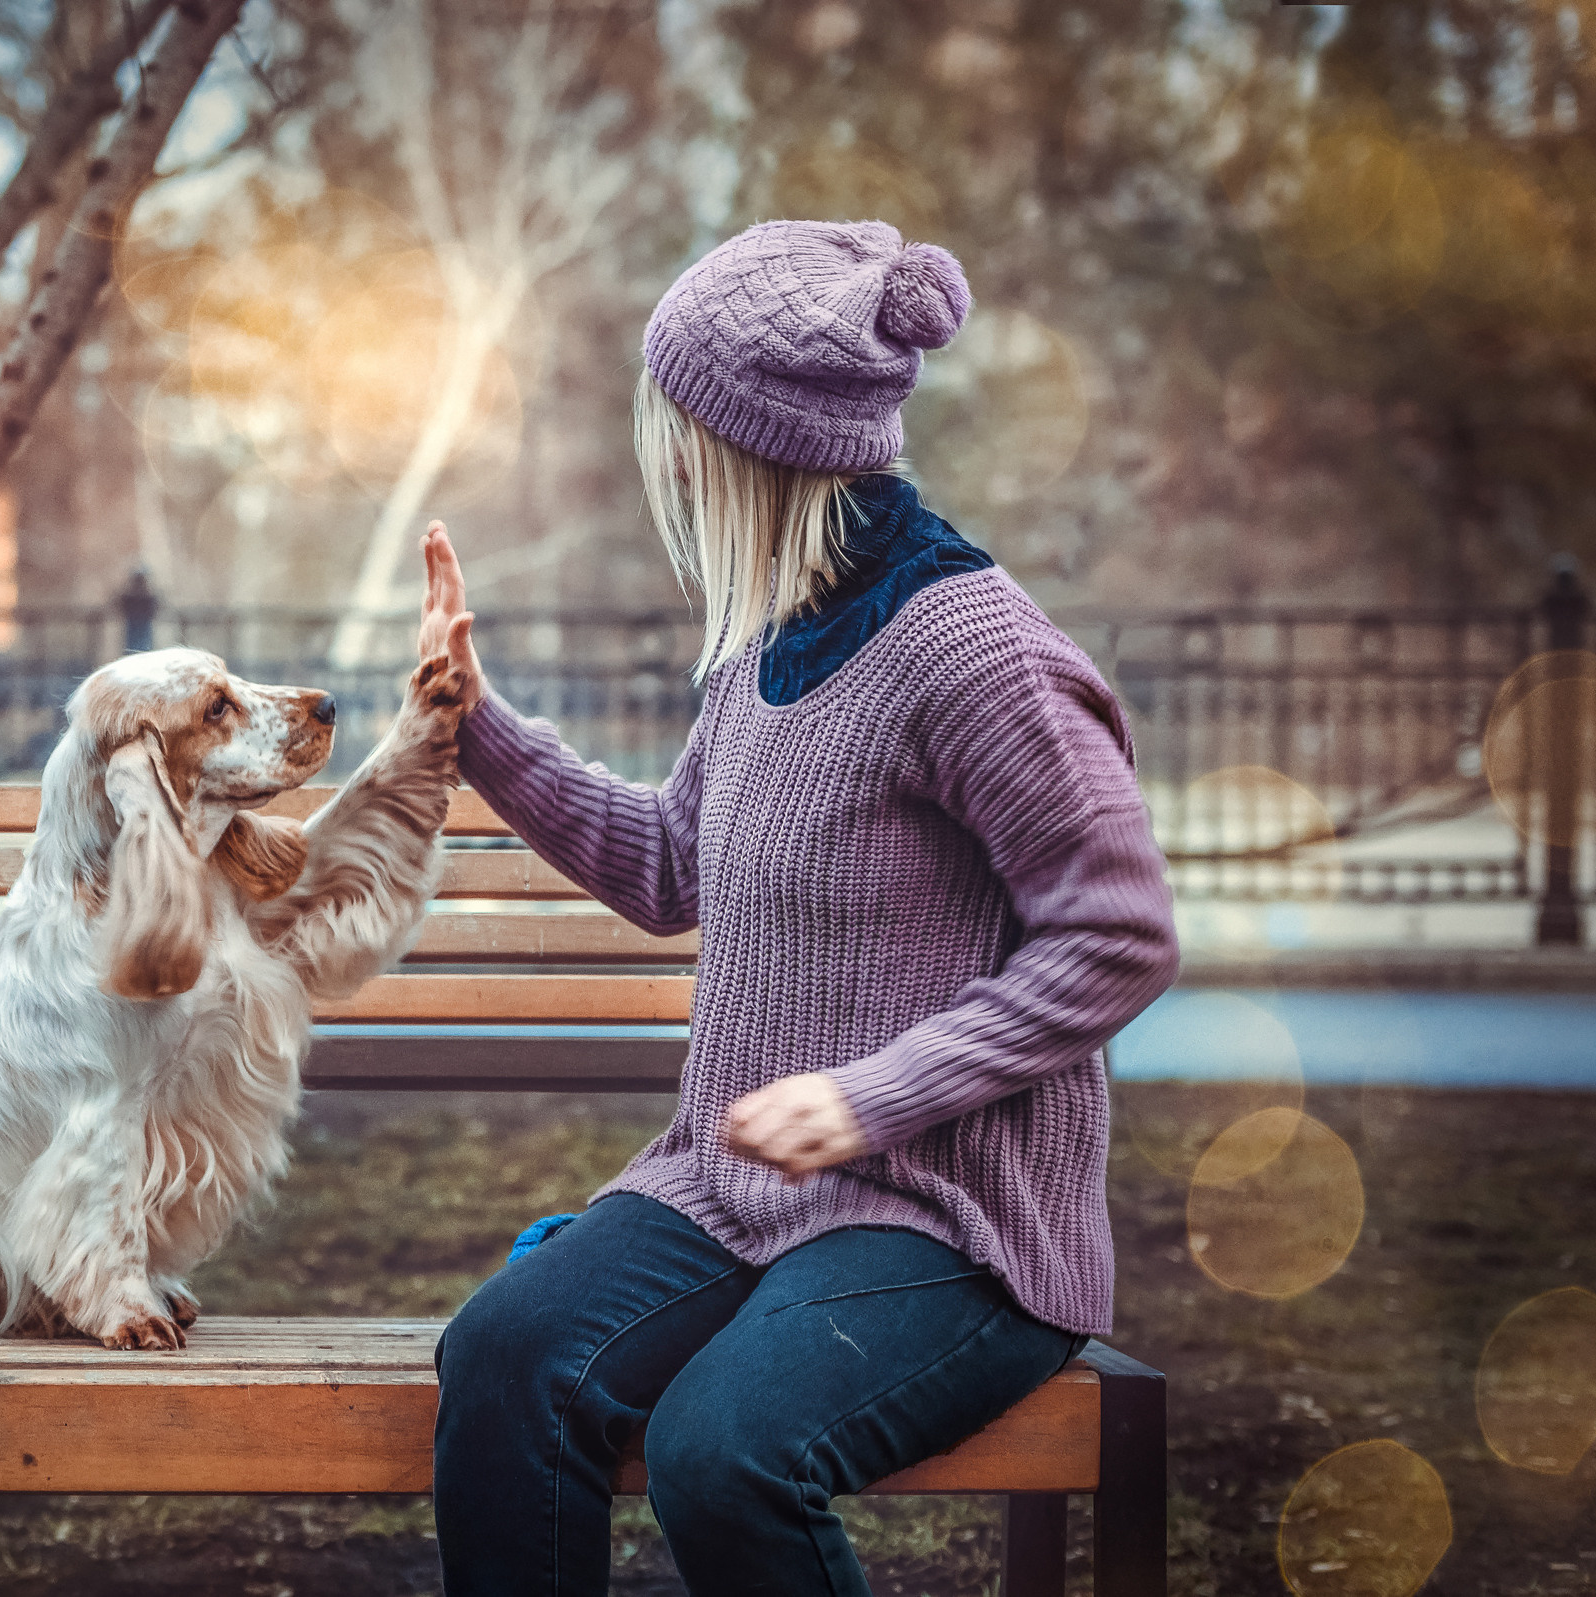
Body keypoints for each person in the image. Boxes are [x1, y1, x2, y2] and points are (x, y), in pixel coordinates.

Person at [413, 220, 1181, 1597]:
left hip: (955, 1224)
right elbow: (669, 867)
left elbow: (1117, 933)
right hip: (742, 1190)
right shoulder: (766, 639)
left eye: (674, 423)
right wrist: (480, 728)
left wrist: (871, 1095)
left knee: (725, 1449)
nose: (663, 454)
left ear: (740, 443)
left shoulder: (974, 653)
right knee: (507, 1355)